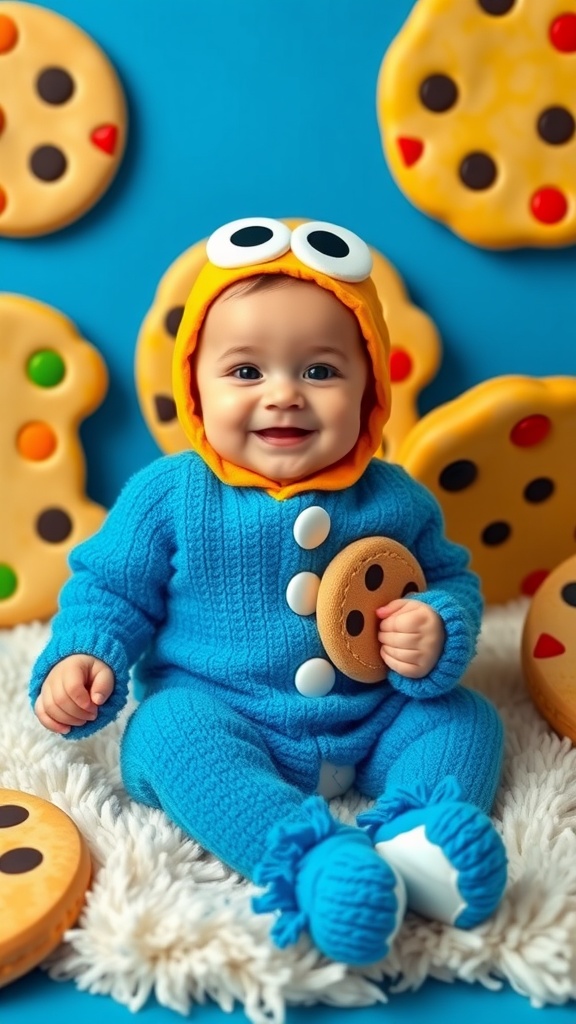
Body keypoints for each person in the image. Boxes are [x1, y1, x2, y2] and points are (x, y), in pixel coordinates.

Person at [30, 218, 506, 966]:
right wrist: (83, 655)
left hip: (372, 717)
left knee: (465, 716)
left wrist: (438, 625)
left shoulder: (398, 501)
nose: (284, 396)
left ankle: (417, 840)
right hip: (231, 715)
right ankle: (312, 861)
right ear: (196, 385)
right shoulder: (169, 495)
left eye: (320, 372)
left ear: (370, 387)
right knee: (165, 733)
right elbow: (109, 593)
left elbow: (450, 580)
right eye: (246, 372)